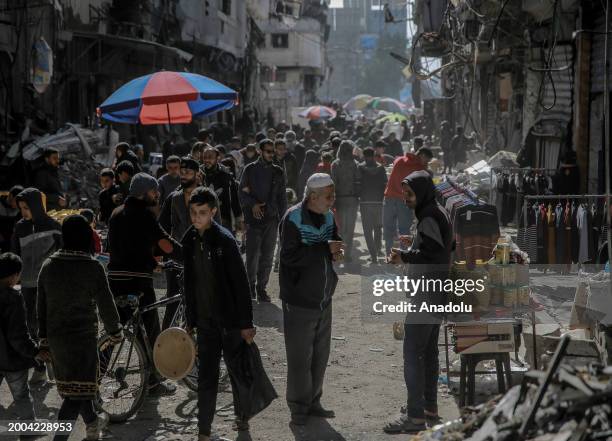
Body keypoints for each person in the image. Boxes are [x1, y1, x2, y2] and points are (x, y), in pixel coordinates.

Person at [37, 215, 123, 441]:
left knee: (76, 389)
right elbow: (106, 303)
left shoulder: (48, 266)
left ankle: (93, 424)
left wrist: (43, 340)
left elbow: (40, 307)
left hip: (57, 342)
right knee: (75, 395)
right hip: (82, 342)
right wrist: (115, 331)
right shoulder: (92, 266)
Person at [182, 187, 256, 441]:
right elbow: (188, 284)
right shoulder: (189, 239)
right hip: (205, 323)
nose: (196, 217)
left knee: (237, 375)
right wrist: (189, 319)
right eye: (193, 212)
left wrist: (247, 323)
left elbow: (241, 284)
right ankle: (204, 431)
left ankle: (242, 420)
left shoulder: (225, 240)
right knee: (206, 378)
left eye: (202, 212)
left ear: (213, 212)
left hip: (231, 323)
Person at [384, 170, 453, 434]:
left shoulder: (428, 215)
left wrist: (405, 255)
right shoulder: (439, 211)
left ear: (422, 192)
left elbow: (433, 253)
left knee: (412, 354)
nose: (406, 199)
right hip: (437, 293)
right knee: (429, 353)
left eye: (410, 194)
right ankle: (429, 409)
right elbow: (445, 246)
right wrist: (413, 245)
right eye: (405, 194)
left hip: (425, 295)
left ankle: (414, 418)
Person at [107, 173, 180, 393]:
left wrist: (150, 259)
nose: (157, 194)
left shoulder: (116, 213)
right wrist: (189, 256)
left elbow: (125, 245)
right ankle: (153, 382)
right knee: (150, 330)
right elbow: (165, 244)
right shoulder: (145, 215)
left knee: (114, 331)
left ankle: (96, 375)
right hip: (138, 282)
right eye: (153, 191)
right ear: (142, 193)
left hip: (116, 280)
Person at [279, 173, 342, 426]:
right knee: (299, 359)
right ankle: (298, 408)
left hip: (324, 298)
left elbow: (334, 240)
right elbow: (289, 257)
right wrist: (324, 250)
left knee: (320, 356)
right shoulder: (292, 218)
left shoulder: (328, 215)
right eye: (329, 196)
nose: (332, 200)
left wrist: (337, 249)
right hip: (299, 301)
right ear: (313, 196)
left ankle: (314, 401)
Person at [12, 188, 62, 384]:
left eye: (26, 208)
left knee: (48, 325)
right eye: (21, 208)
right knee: (30, 325)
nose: (23, 212)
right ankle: (40, 364)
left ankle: (55, 363)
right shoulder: (20, 228)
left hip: (48, 285)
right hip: (27, 285)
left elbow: (61, 252)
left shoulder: (54, 226)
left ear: (35, 206)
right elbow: (14, 253)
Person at [0, 252, 49, 424]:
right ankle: (29, 429)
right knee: (21, 395)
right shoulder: (13, 298)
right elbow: (17, 336)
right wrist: (35, 352)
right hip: (12, 360)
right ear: (14, 275)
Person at [239, 139, 287, 302]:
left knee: (267, 256)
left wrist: (283, 219)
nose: (271, 154)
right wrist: (252, 205)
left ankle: (261, 288)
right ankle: (250, 287)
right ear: (260, 151)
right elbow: (242, 192)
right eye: (268, 151)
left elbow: (282, 197)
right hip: (254, 220)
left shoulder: (278, 171)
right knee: (252, 256)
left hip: (271, 219)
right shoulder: (250, 170)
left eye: (272, 152)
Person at [159, 158, 200, 329]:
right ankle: (165, 344)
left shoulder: (206, 197)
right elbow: (162, 228)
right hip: (176, 258)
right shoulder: (173, 198)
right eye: (181, 172)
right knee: (173, 300)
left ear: (197, 174)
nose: (183, 176)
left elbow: (216, 227)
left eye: (187, 172)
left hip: (199, 256)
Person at [382, 144, 430, 255]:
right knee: (404, 229)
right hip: (404, 202)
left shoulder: (399, 160)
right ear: (422, 156)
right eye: (427, 160)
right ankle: (402, 255)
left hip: (389, 198)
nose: (427, 162)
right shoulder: (419, 168)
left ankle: (389, 254)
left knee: (389, 228)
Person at [330, 140, 360, 263]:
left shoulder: (335, 164)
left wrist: (333, 200)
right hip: (352, 199)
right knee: (350, 228)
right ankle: (347, 255)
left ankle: (338, 253)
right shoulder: (355, 164)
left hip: (340, 199)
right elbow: (358, 182)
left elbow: (333, 184)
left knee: (340, 228)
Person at [201, 147, 243, 233]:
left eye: (210, 157)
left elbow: (234, 198)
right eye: (205, 157)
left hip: (224, 219)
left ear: (217, 158)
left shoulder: (226, 176)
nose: (207, 160)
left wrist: (239, 219)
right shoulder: (198, 174)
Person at [359, 148, 388, 263]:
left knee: (367, 230)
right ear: (374, 156)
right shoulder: (381, 168)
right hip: (378, 202)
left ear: (364, 156)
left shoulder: (360, 168)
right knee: (377, 228)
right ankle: (377, 250)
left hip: (365, 203)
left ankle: (373, 255)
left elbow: (357, 183)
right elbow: (385, 184)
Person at [0, 185, 23, 252]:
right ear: (10, 196)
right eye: (17, 201)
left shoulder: (20, 208)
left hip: (13, 241)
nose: (18, 204)